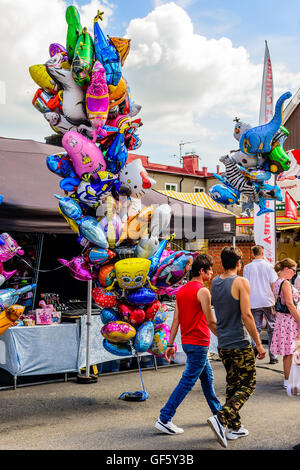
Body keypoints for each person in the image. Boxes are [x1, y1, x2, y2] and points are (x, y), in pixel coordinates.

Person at [155, 253, 222, 435]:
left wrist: (170, 345)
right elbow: (210, 321)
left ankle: (219, 414)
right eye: (210, 272)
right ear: (202, 271)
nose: (211, 275)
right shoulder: (203, 291)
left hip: (188, 342)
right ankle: (164, 417)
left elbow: (175, 320)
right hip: (199, 342)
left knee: (207, 379)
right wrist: (224, 338)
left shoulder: (182, 291)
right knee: (187, 382)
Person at [208, 246, 266, 448]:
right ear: (239, 263)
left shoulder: (214, 281)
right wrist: (258, 343)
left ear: (222, 262)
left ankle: (235, 427)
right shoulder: (241, 282)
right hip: (239, 342)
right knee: (248, 384)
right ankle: (221, 417)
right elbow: (247, 315)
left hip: (223, 343)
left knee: (233, 384)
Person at [243, 245, 278, 364]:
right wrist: (277, 299)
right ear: (262, 253)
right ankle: (273, 356)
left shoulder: (247, 268)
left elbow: (245, 286)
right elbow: (274, 284)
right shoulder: (269, 267)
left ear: (252, 254)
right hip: (268, 300)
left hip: (253, 301)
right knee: (272, 327)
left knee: (255, 327)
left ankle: (255, 351)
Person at [270, 259, 300, 389]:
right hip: (289, 320)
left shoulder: (277, 282)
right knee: (290, 352)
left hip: (283, 320)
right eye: (294, 270)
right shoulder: (285, 283)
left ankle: (288, 380)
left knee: (288, 352)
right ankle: (289, 381)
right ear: (286, 269)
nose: (294, 273)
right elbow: (289, 304)